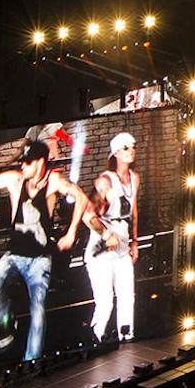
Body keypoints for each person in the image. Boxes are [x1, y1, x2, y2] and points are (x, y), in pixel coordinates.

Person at [0, 138, 86, 362]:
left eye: (28, 163)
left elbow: (80, 197)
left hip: (39, 259)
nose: (23, 167)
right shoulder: (16, 180)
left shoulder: (53, 181)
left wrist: (71, 231)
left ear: (40, 162)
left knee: (38, 307)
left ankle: (31, 361)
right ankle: (5, 332)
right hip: (14, 254)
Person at [89, 131, 141, 345]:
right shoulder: (105, 181)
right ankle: (95, 338)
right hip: (102, 247)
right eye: (127, 147)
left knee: (127, 295)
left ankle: (126, 336)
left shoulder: (135, 178)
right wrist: (106, 234)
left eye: (133, 146)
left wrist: (135, 242)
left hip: (123, 245)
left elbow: (134, 211)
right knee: (105, 301)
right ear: (117, 153)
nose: (132, 151)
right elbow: (88, 215)